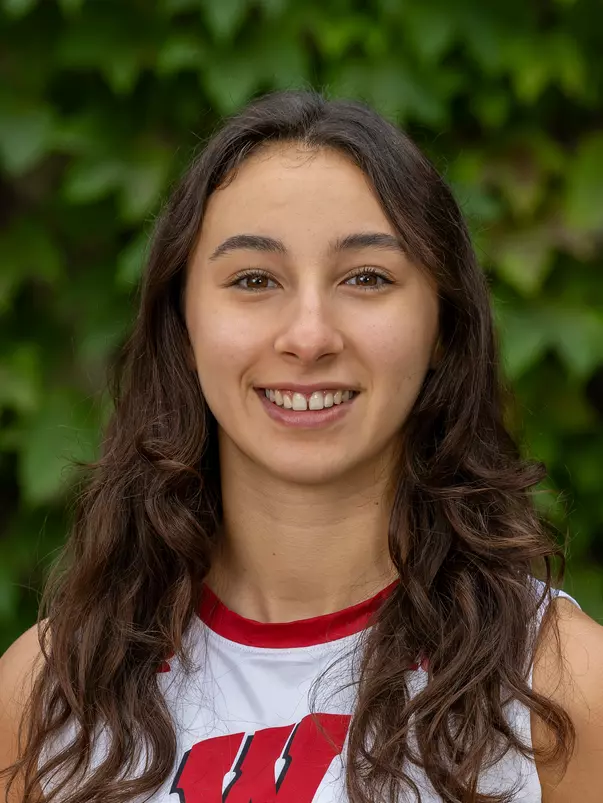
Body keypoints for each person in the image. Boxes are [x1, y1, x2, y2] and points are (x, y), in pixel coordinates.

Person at [1, 89, 602, 803]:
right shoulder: (50, 692)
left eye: (366, 278)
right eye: (253, 279)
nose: (309, 336)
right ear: (182, 321)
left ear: (442, 323)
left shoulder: (560, 689)